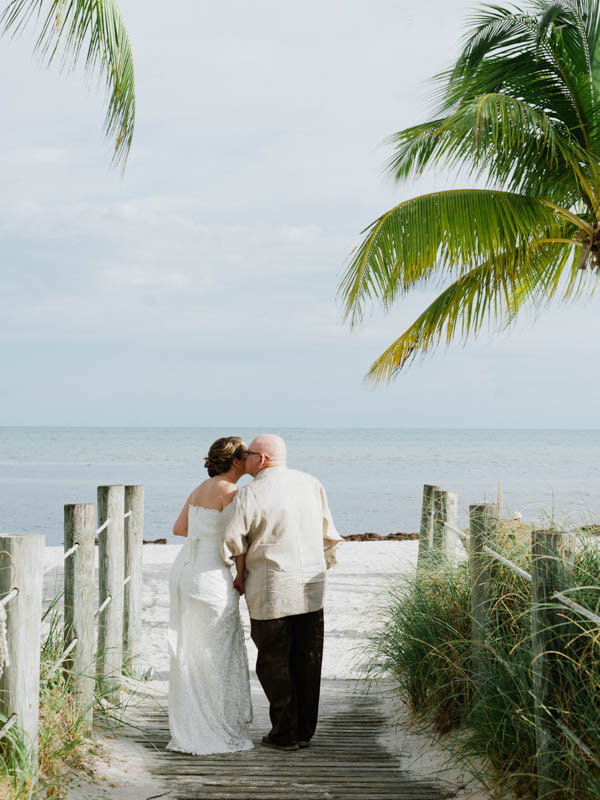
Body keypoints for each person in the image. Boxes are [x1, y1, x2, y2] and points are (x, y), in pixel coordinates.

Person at [221, 433, 342, 752]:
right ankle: (304, 731)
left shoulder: (251, 493)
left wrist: (235, 571)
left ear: (261, 459)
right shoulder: (311, 483)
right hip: (311, 588)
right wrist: (322, 565)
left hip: (271, 588)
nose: (242, 457)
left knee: (274, 662)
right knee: (307, 659)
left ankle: (284, 733)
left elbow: (232, 540)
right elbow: (328, 534)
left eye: (247, 453)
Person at [167, 436, 253, 755]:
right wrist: (241, 574)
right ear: (235, 461)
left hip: (184, 572)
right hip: (210, 576)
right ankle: (214, 725)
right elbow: (236, 539)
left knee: (192, 649)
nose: (249, 458)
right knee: (217, 653)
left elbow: (179, 528)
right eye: (246, 454)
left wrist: (203, 535)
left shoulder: (199, 489)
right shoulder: (231, 492)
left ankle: (192, 722)